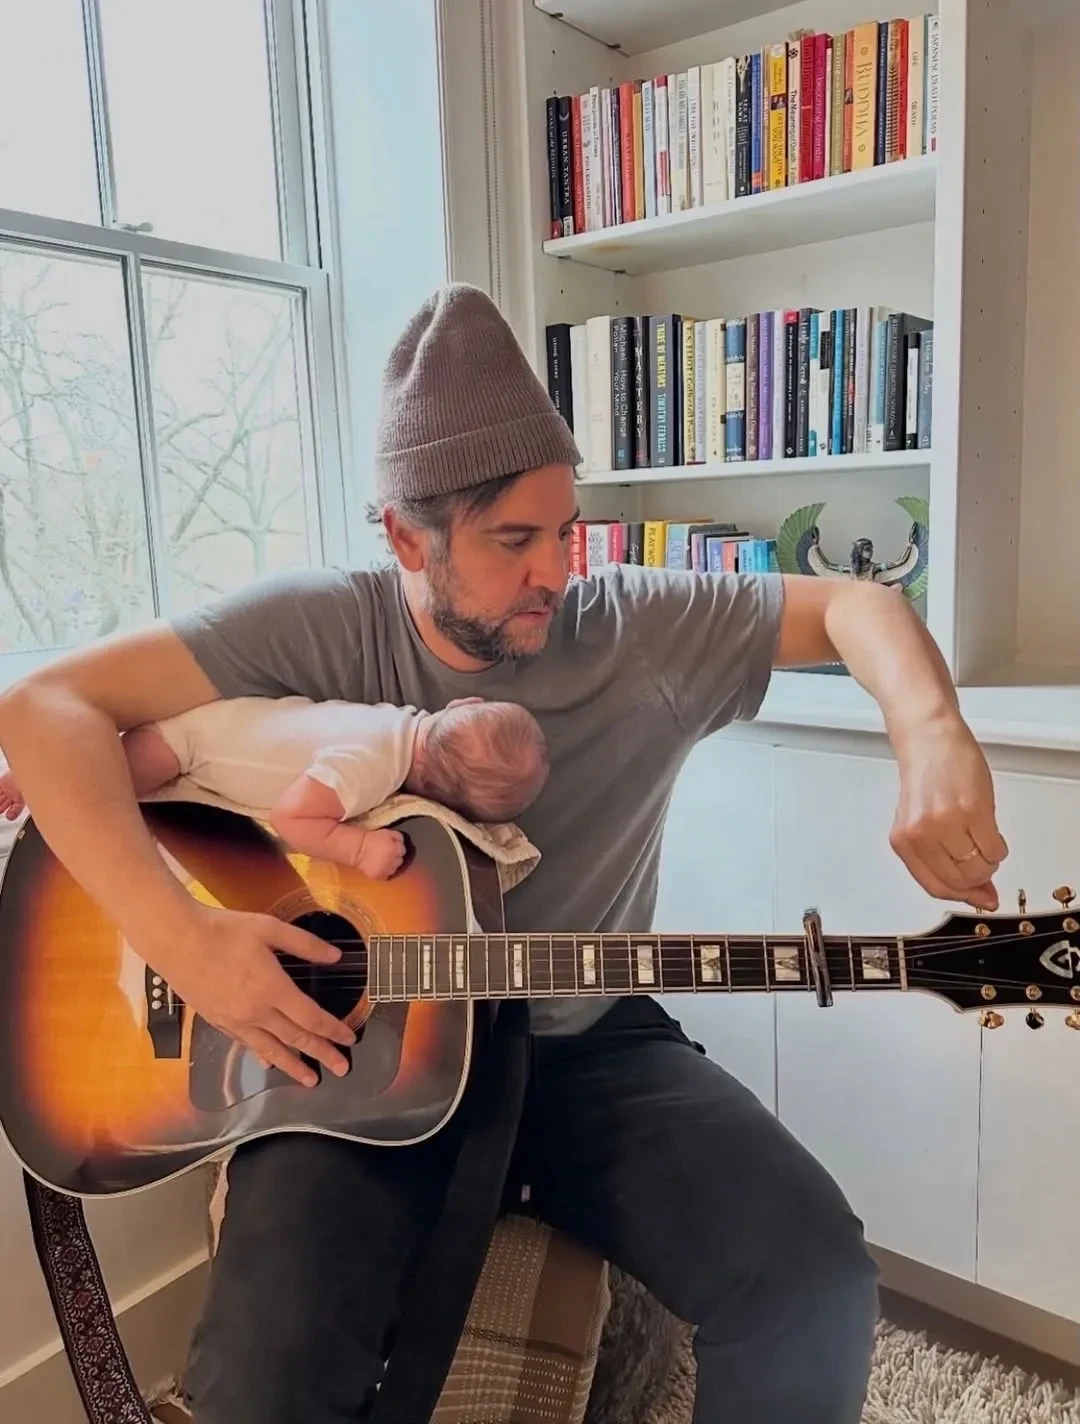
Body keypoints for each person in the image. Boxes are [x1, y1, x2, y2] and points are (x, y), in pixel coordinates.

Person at [0, 283, 1008, 1424]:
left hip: (591, 1046)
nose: (557, 572)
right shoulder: (316, 622)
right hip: (356, 1054)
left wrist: (932, 732)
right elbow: (43, 708)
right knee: (269, 1366)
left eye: (565, 529)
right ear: (405, 537)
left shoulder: (632, 627)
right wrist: (185, 941)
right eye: (513, 540)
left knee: (811, 1278)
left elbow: (856, 607)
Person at [0, 693, 548, 878]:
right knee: (97, 792)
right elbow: (292, 817)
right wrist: (357, 849)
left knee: (105, 781)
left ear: (460, 704)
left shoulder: (394, 723)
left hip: (206, 728)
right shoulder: (371, 767)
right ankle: (32, 777)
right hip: (186, 743)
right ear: (440, 799)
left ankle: (41, 772)